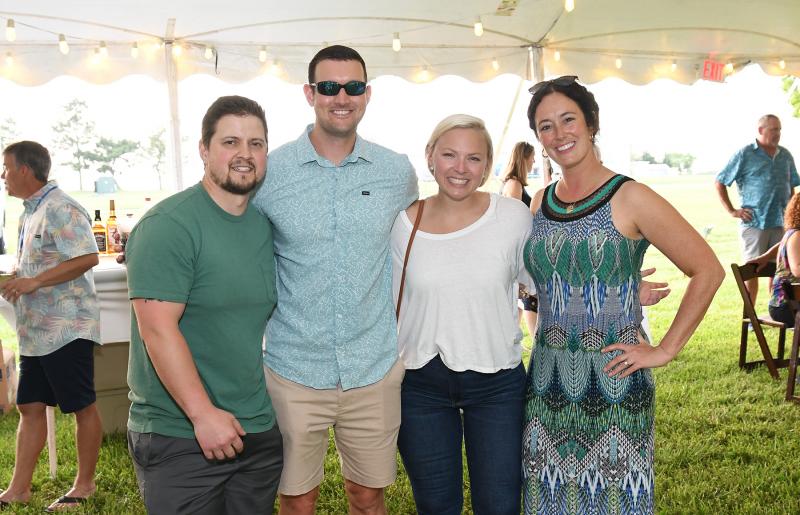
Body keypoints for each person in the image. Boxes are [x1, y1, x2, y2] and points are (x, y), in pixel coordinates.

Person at [392, 114, 670, 515]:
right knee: (435, 505)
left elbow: (548, 277)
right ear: (430, 156)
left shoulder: (512, 217)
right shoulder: (404, 223)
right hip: (421, 385)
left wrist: (617, 287)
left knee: (500, 505)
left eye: (474, 158)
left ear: (488, 165)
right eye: (449, 155)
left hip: (496, 384)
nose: (460, 168)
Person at [521, 76, 724, 514]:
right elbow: (550, 280)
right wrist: (623, 287)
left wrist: (665, 349)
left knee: (613, 501)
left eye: (569, 119)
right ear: (538, 137)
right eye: (545, 126)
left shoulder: (630, 196)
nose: (559, 134)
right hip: (547, 381)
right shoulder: (540, 202)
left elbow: (707, 269)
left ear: (592, 123)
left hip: (614, 379)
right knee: (548, 499)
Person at [252, 45, 417, 515]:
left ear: (367, 94)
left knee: (367, 497)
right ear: (310, 94)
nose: (341, 97)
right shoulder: (272, 171)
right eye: (329, 87)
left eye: (353, 87)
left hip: (372, 367)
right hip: (294, 367)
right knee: (297, 500)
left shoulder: (396, 171)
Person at [125, 96, 282, 514]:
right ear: (204, 150)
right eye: (230, 142)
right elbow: (157, 329)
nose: (245, 154)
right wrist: (203, 415)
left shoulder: (261, 226)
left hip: (255, 427)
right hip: (181, 432)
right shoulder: (168, 226)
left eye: (256, 144)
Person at [0, 141, 102, 512]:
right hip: (35, 332)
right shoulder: (30, 212)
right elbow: (41, 265)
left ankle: (84, 486)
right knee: (29, 406)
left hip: (66, 329)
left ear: (25, 170)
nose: (3, 176)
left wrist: (35, 281)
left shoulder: (61, 207)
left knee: (81, 406)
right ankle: (18, 489)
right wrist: (18, 278)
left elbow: (87, 257)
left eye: (6, 168)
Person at [715, 114, 799, 304]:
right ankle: (750, 313)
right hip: (755, 223)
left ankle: (777, 307)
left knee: (780, 269)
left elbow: (792, 187)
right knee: (752, 269)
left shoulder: (785, 155)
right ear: (761, 130)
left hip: (782, 223)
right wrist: (732, 211)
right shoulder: (745, 154)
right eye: (773, 129)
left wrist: (792, 216)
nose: (778, 133)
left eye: (779, 129)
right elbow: (720, 181)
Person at [501, 141, 538, 338]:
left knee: (519, 305)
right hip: (518, 252)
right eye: (532, 158)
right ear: (523, 158)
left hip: (518, 250)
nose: (534, 162)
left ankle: (508, 342)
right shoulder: (514, 184)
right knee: (526, 298)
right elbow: (513, 221)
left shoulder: (513, 183)